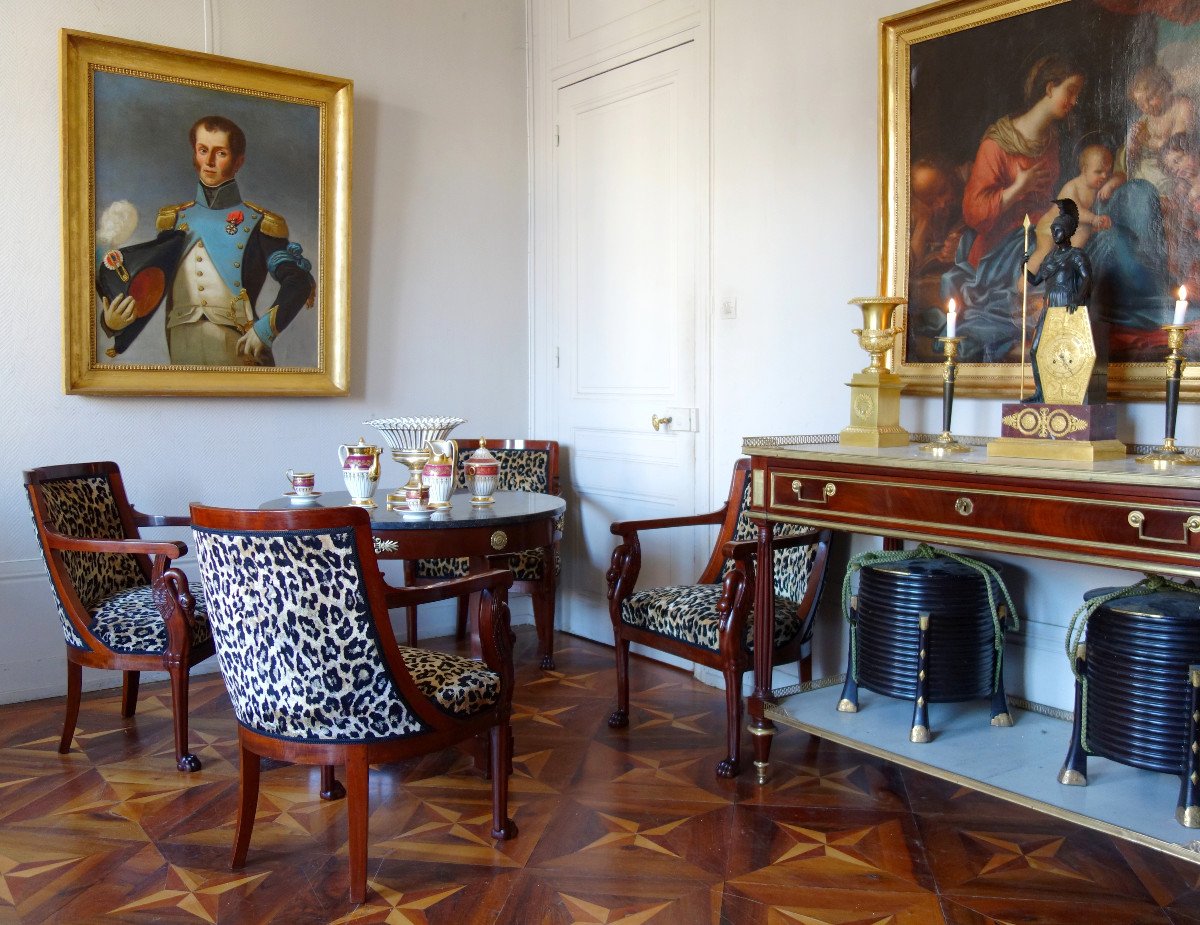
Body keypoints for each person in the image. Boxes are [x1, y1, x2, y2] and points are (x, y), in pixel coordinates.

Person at [99, 115, 315, 366]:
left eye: (220, 153)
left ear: (238, 162)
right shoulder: (173, 220)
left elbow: (297, 282)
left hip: (241, 351)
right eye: (203, 151)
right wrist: (111, 323)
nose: (209, 162)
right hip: (182, 350)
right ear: (195, 154)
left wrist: (265, 330)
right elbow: (148, 287)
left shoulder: (259, 222)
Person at [940, 55, 1086, 362]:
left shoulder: (1051, 140)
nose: (1074, 100)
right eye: (1070, 91)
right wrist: (1018, 188)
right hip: (1001, 242)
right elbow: (974, 213)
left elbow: (1048, 198)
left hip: (1039, 229)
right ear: (1049, 89)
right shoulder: (997, 143)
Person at [1022, 198, 1093, 403]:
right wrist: (1023, 269)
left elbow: (1087, 278)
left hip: (1067, 303)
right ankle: (1041, 392)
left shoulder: (1076, 255)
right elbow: (1036, 281)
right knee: (1036, 350)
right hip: (1049, 306)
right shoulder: (1049, 258)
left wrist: (1077, 300)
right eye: (1053, 230)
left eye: (1059, 229)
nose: (1055, 234)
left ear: (1068, 231)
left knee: (1067, 351)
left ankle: (1068, 394)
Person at [1118, 64, 1198, 195]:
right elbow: (1132, 154)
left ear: (1165, 89)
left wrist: (1148, 141)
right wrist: (1134, 143)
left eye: (1150, 98)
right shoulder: (1146, 118)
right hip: (1149, 167)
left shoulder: (1182, 106)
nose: (1146, 106)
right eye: (1140, 103)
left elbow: (1177, 144)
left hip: (1176, 169)